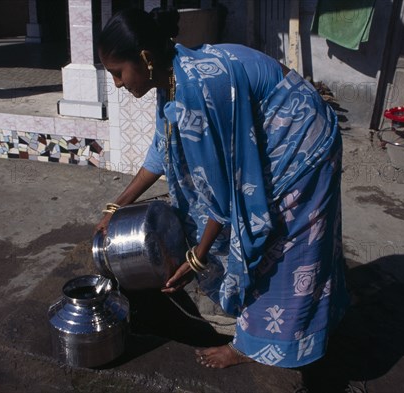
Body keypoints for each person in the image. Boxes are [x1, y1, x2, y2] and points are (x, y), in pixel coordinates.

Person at [95, 7, 350, 369]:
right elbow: (160, 150)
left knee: (278, 244)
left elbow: (226, 197)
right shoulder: (172, 75)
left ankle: (254, 345)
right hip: (275, 139)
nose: (118, 84)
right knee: (257, 235)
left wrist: (196, 258)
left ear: (145, 58)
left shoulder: (198, 88)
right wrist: (114, 207)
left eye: (117, 73)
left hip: (302, 144)